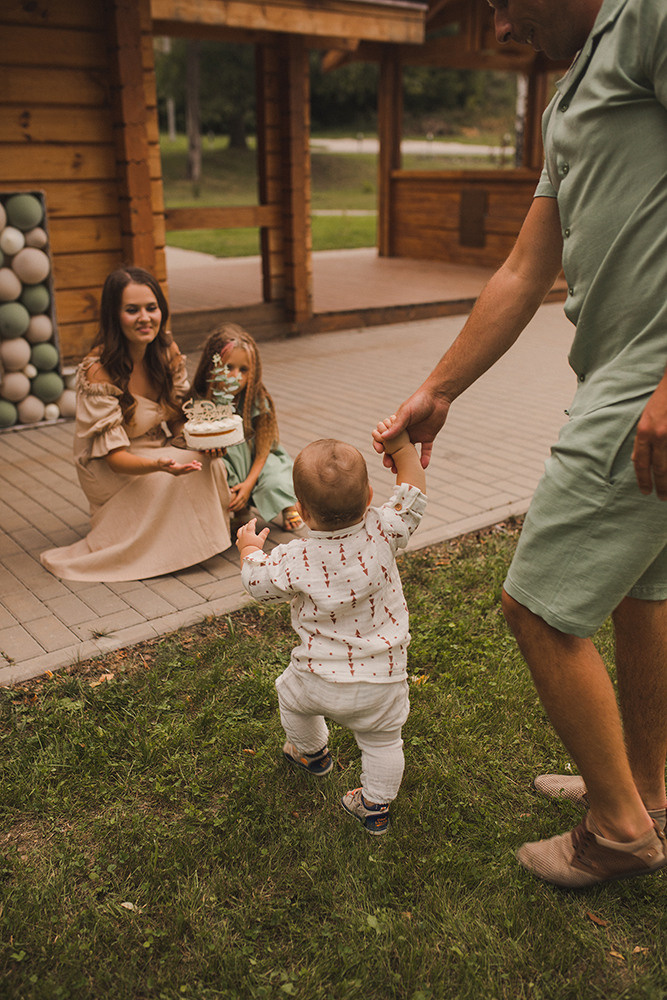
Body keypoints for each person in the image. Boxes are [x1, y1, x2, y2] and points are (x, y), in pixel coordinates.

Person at [379, 0, 667, 886]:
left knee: (535, 604)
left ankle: (616, 831)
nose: (499, 30)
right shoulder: (567, 90)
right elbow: (522, 269)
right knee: (639, 591)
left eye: (501, 4)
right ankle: (644, 791)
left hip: (651, 370)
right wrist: (438, 387)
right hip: (619, 366)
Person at [235, 421, 426, 835]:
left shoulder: (295, 557)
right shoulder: (383, 529)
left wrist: (250, 549)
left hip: (316, 676)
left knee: (290, 698)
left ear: (300, 511)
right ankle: (374, 806)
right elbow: (412, 494)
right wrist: (402, 447)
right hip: (382, 678)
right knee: (382, 743)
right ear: (371, 496)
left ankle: (312, 754)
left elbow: (258, 586)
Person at [40, 267, 232, 582]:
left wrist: (200, 438)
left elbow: (180, 417)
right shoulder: (98, 372)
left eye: (151, 307)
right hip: (112, 465)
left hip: (154, 446)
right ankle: (162, 544)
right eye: (132, 310)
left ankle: (187, 541)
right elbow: (114, 459)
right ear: (114, 316)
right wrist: (161, 463)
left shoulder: (166, 351)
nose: (145, 317)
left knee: (204, 458)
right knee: (183, 466)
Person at [190, 324, 303, 533]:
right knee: (219, 475)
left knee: (275, 480)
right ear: (211, 365)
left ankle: (288, 503)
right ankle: (241, 510)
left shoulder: (256, 399)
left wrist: (250, 483)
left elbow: (263, 449)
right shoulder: (201, 401)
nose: (235, 376)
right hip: (228, 461)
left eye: (243, 370)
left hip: (260, 460)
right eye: (228, 368)